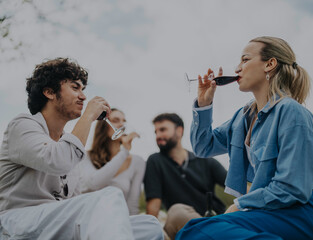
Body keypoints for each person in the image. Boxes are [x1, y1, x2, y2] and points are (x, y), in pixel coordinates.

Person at [176, 36, 313, 240]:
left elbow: (293, 188)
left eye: (245, 60)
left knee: (197, 231)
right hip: (270, 213)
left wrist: (240, 205)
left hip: (304, 214)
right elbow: (203, 146)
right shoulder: (243, 118)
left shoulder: (292, 113)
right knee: (192, 231)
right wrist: (204, 103)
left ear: (270, 64)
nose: (237, 68)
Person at [0, 58, 163, 240]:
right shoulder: (22, 125)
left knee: (149, 226)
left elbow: (74, 200)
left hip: (57, 221)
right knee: (107, 196)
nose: (83, 96)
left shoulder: (72, 146)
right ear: (49, 92)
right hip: (18, 221)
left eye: (83, 90)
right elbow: (56, 161)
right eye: (75, 87)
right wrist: (88, 117)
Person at [144, 113, 227, 239]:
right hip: (181, 225)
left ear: (179, 131)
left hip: (215, 220)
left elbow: (237, 185)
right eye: (156, 132)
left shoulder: (204, 158)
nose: (158, 136)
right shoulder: (155, 161)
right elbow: (153, 205)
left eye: (163, 130)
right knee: (178, 212)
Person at [78, 108, 145, 215]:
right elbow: (92, 184)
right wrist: (124, 152)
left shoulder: (137, 162)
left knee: (151, 223)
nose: (122, 125)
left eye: (124, 121)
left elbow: (132, 205)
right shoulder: (85, 156)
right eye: (116, 120)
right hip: (89, 216)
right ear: (103, 127)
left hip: (118, 219)